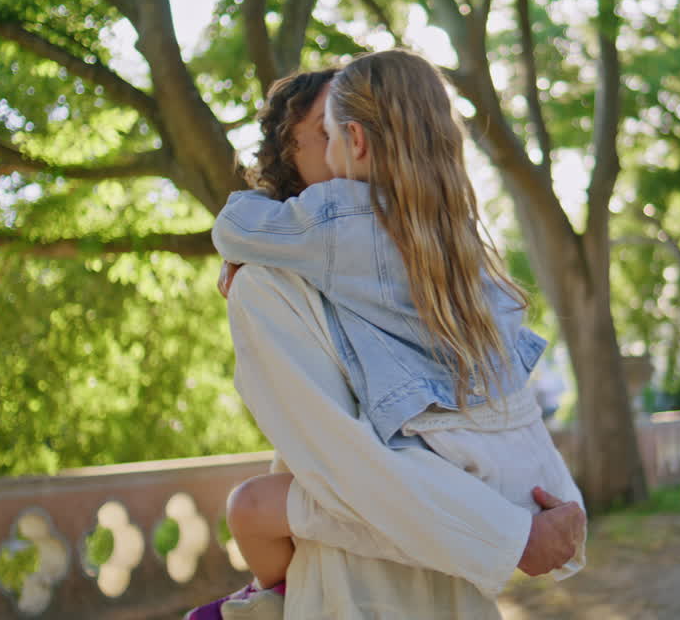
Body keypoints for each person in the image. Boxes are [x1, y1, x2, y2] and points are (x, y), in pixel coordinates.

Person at [187, 60, 585, 620]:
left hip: (461, 595)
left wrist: (544, 511)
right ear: (293, 159)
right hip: (356, 598)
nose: (343, 145)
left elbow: (491, 423)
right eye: (324, 130)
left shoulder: (444, 265)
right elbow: (350, 467)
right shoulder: (267, 286)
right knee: (252, 505)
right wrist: (511, 531)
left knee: (253, 505)